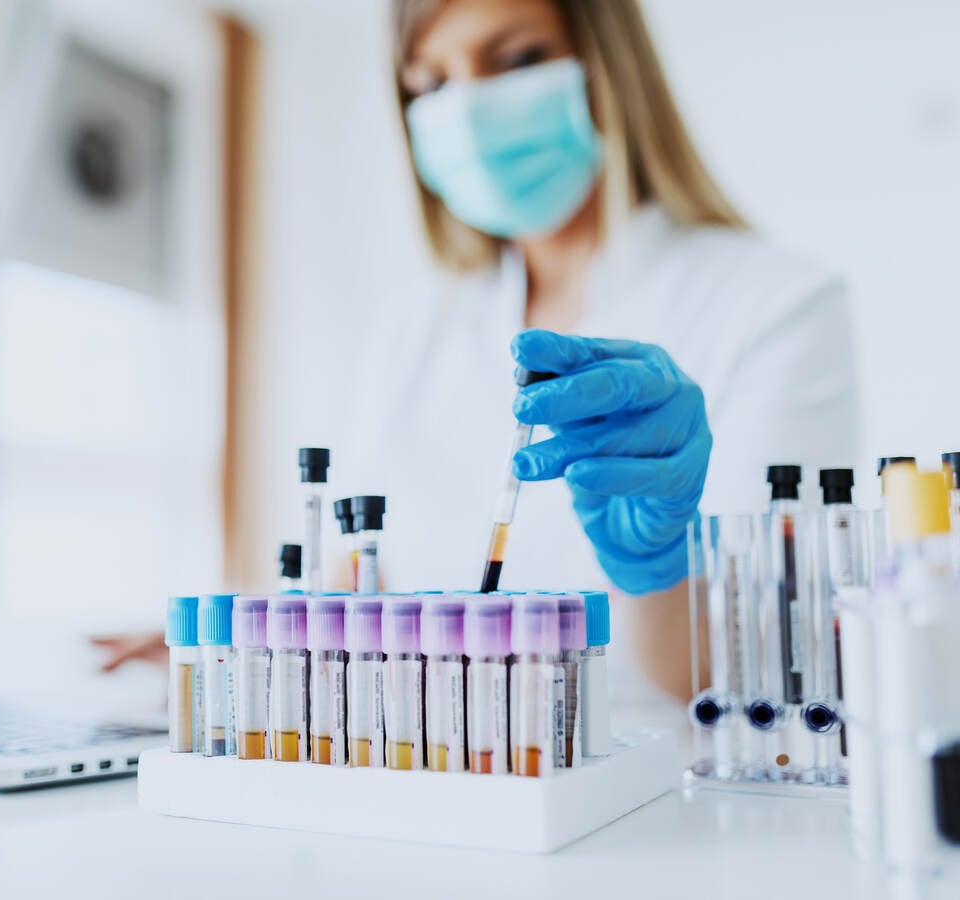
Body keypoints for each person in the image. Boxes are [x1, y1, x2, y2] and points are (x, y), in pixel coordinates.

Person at [95, 0, 859, 700]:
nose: (467, 109)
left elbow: (751, 673)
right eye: (431, 82)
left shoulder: (775, 305)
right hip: (420, 779)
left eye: (517, 59)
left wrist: (656, 565)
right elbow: (353, 584)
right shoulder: (414, 330)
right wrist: (233, 648)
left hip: (648, 809)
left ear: (609, 64)